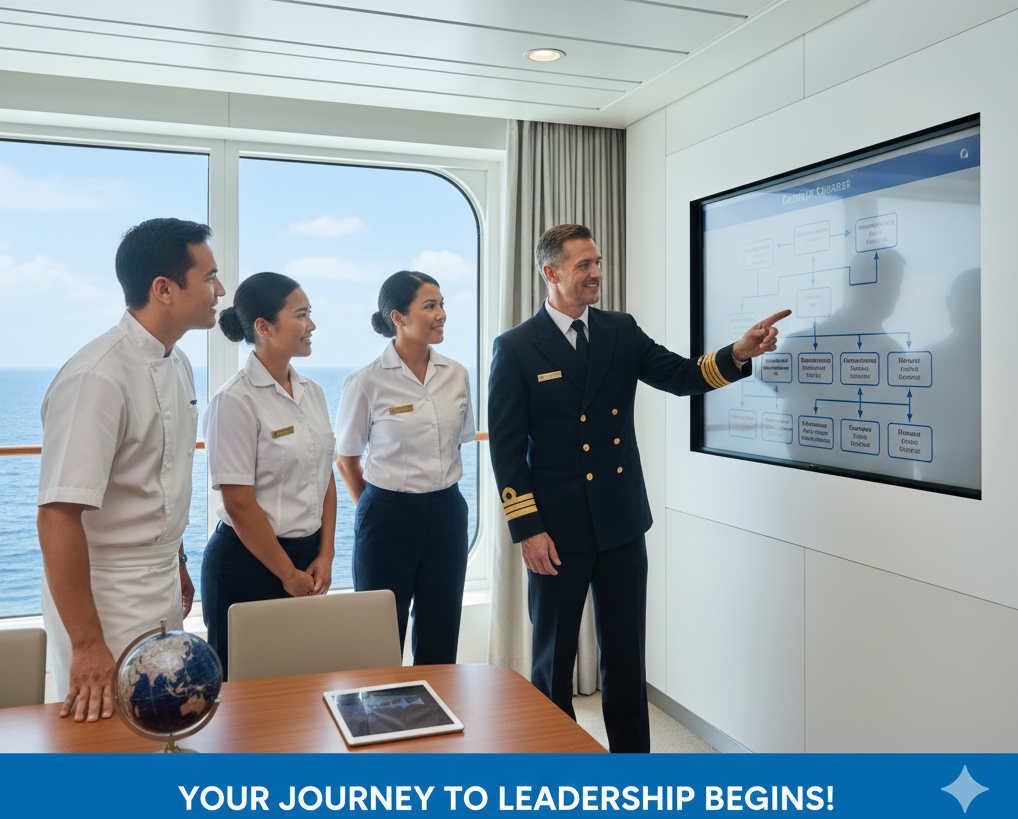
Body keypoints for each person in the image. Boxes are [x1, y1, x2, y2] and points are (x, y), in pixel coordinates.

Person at [487, 224, 789, 753]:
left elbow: (681, 375)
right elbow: (508, 454)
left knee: (626, 659)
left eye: (597, 262)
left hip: (622, 522)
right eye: (583, 265)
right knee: (552, 661)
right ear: (550, 273)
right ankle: (555, 768)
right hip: (555, 532)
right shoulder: (515, 348)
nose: (597, 273)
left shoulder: (620, 330)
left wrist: (738, 353)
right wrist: (527, 530)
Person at [37, 217, 225, 722]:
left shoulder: (178, 362)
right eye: (209, 277)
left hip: (161, 577)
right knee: (106, 735)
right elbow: (57, 514)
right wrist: (86, 644)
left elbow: (159, 476)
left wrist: (179, 561)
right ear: (164, 289)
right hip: (106, 594)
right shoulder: (96, 377)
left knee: (165, 724)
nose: (219, 290)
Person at [335, 271, 476, 664]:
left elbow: (461, 441)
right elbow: (346, 460)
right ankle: (377, 721)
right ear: (397, 317)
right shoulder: (366, 382)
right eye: (430, 306)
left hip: (447, 513)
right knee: (379, 635)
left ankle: (435, 719)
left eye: (442, 304)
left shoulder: (457, 375)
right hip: (387, 516)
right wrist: (377, 510)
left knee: (441, 630)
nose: (441, 314)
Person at [201, 272, 337, 680]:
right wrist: (285, 573)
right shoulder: (234, 400)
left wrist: (325, 554)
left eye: (310, 313)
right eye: (301, 315)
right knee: (240, 696)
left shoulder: (312, 392)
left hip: (306, 559)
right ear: (263, 327)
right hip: (249, 562)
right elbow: (238, 503)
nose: (311, 325)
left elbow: (324, 476)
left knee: (297, 689)